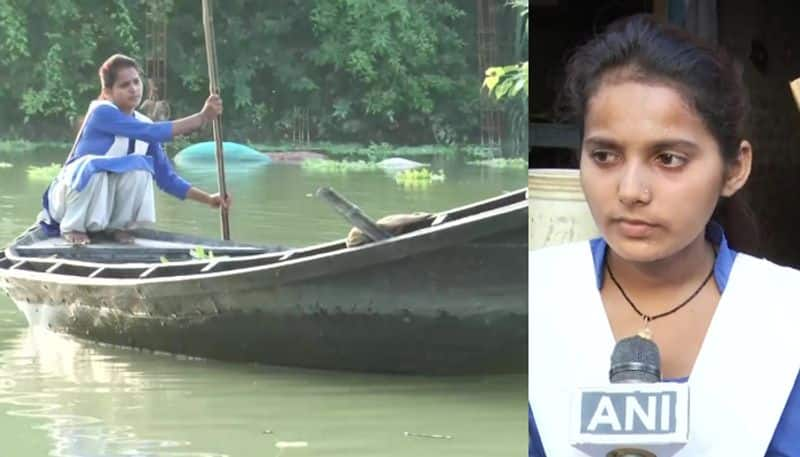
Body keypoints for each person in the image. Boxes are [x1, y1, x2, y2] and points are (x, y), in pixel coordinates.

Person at [529, 15, 800, 456]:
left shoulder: (787, 315)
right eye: (604, 155)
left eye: (669, 158)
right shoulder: (534, 298)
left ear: (735, 168)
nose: (630, 191)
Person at [38, 53, 230, 245]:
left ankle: (118, 228)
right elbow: (152, 132)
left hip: (103, 210)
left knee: (140, 169)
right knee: (93, 168)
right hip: (66, 205)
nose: (133, 89)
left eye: (136, 82)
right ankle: (73, 227)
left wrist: (208, 199)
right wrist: (202, 117)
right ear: (108, 92)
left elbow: (166, 179)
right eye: (124, 85)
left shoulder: (144, 125)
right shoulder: (101, 112)